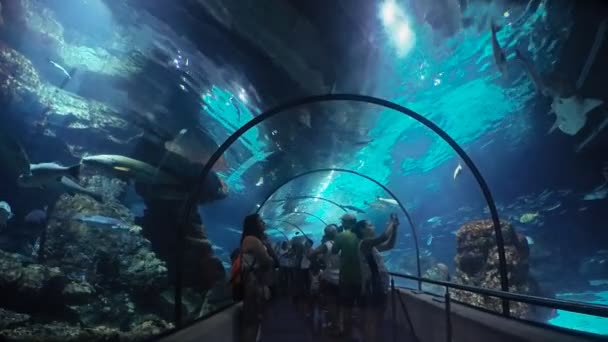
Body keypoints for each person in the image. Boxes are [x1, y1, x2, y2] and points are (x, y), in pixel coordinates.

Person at [355, 214, 399, 342]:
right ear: (362, 230)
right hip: (374, 286)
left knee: (377, 318)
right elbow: (384, 236)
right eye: (370, 225)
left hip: (378, 285)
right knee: (374, 319)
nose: (373, 227)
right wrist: (391, 222)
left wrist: (395, 229)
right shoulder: (365, 243)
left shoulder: (370, 245)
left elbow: (389, 245)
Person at [239, 214, 275, 342]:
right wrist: (269, 256)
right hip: (252, 283)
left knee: (255, 319)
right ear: (254, 225)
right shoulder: (252, 240)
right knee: (251, 321)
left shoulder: (254, 239)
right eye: (260, 221)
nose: (263, 223)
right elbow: (267, 260)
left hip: (255, 282)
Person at [332, 213, 360, 336]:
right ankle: (361, 334)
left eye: (343, 221)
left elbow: (334, 251)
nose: (342, 223)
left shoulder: (341, 235)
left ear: (347, 223)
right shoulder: (362, 235)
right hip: (362, 277)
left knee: (346, 307)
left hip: (346, 276)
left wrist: (337, 235)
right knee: (361, 307)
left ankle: (346, 333)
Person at [308, 224, 340, 331]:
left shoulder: (326, 245)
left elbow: (311, 254)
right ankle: (340, 325)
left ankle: (335, 325)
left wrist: (317, 262)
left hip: (330, 276)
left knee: (331, 302)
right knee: (340, 302)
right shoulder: (341, 244)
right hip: (343, 277)